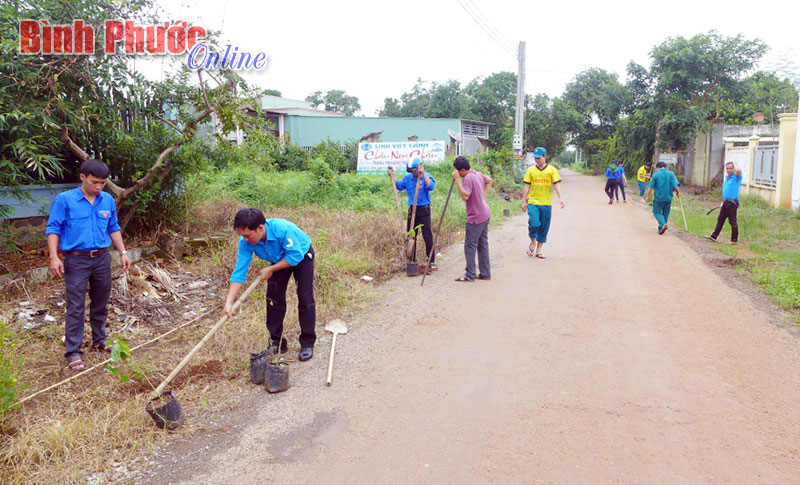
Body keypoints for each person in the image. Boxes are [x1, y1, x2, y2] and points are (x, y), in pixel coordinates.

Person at [46, 159, 131, 371]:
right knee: (75, 306)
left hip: (102, 259)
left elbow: (113, 226)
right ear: (82, 177)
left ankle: (99, 339)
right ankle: (73, 351)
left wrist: (123, 252)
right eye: (94, 182)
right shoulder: (64, 200)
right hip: (77, 259)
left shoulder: (107, 201)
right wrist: (54, 256)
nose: (99, 187)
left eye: (102, 183)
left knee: (101, 301)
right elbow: (53, 228)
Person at [223, 208, 316, 361]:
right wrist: (229, 302)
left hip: (301, 254)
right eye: (242, 235)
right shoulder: (245, 242)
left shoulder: (281, 229)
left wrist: (271, 269)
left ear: (260, 228)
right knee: (273, 299)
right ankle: (277, 343)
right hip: (279, 259)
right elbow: (239, 272)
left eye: (247, 235)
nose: (245, 239)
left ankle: (307, 342)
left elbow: (295, 255)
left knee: (305, 297)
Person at [387, 157, 437, 269]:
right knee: (411, 235)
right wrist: (392, 175)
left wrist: (423, 173)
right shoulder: (408, 178)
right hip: (412, 210)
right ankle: (412, 260)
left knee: (427, 235)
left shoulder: (426, 176)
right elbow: (398, 186)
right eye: (411, 171)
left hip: (424, 209)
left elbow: (431, 186)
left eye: (414, 171)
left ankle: (431, 260)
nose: (413, 173)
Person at [451, 156, 493, 282]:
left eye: (457, 171)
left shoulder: (468, 178)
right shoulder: (477, 173)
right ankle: (485, 273)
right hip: (485, 213)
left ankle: (470, 275)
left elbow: (465, 195)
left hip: (476, 217)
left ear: (462, 170)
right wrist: (482, 196)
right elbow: (490, 180)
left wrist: (457, 180)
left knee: (470, 246)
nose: (456, 173)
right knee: (482, 244)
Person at [521, 147, 565, 258]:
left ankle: (539, 249)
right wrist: (523, 201)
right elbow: (527, 186)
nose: (537, 160)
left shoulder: (552, 170)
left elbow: (556, 184)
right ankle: (533, 241)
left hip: (546, 203)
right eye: (535, 158)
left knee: (544, 226)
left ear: (545, 156)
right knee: (534, 223)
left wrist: (560, 198)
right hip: (533, 202)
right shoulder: (531, 170)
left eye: (539, 158)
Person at [706, 161, 742, 245]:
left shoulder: (736, 177)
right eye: (727, 168)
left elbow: (739, 171)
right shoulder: (727, 178)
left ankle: (734, 240)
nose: (729, 170)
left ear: (733, 169)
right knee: (720, 220)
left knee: (732, 222)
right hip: (726, 202)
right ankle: (713, 236)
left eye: (731, 168)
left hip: (732, 203)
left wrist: (735, 164)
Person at [644, 161, 680, 234]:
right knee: (665, 213)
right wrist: (677, 193)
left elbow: (650, 187)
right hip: (668, 197)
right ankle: (661, 228)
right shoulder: (671, 174)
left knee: (656, 212)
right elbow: (675, 186)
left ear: (658, 167)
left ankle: (663, 224)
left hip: (659, 198)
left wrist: (648, 196)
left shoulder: (655, 175)